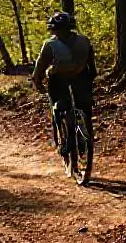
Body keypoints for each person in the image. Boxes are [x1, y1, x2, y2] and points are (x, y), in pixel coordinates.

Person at [31, 12, 96, 155]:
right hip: (82, 77)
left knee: (59, 105)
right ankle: (86, 127)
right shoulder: (84, 40)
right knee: (85, 104)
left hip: (59, 80)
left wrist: (37, 81)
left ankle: (67, 137)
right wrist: (90, 81)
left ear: (52, 29)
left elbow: (40, 66)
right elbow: (92, 65)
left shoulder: (50, 45)